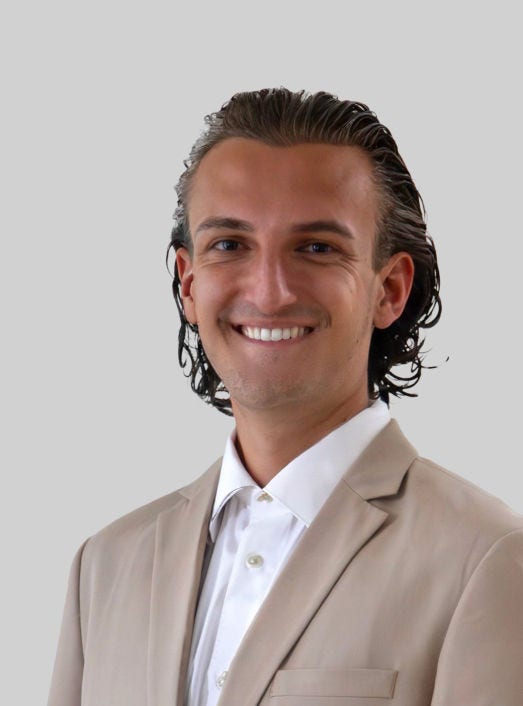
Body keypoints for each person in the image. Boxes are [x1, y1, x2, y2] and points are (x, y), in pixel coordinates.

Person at [48, 88, 523, 706]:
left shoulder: (487, 559)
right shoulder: (104, 567)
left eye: (317, 248)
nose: (270, 293)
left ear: (389, 289)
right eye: (229, 244)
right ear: (189, 284)